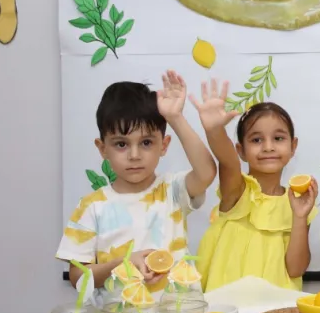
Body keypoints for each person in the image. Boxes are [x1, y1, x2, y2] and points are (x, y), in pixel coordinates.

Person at [56, 72, 216, 293]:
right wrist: (122, 264)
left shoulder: (172, 190)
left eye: (146, 143)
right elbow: (78, 278)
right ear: (103, 149)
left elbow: (207, 172)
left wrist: (175, 117)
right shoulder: (91, 206)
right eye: (121, 144)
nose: (134, 155)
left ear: (163, 145)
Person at [196, 89, 318, 292]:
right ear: (241, 150)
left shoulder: (299, 203)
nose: (268, 147)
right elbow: (228, 162)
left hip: (276, 306)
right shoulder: (237, 191)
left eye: (278, 138)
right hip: (230, 303)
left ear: (293, 146)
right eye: (256, 140)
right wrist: (215, 130)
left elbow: (296, 269)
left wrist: (299, 216)